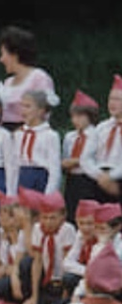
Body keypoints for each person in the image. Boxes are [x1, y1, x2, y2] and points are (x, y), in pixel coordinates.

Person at [0, 26, 56, 131]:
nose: (1, 59)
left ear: (14, 54)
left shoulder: (39, 77)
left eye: (3, 54)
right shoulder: (7, 82)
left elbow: (44, 114)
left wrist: (20, 133)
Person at [9, 90, 62, 196]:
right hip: (21, 178)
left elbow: (54, 169)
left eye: (28, 106)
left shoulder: (50, 135)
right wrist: (11, 192)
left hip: (40, 180)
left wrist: (49, 195)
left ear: (41, 110)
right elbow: (13, 164)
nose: (23, 111)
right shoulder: (18, 134)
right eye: (22, 106)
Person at [84, 76, 122, 202]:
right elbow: (85, 157)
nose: (112, 103)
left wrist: (111, 176)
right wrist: (99, 176)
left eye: (117, 99)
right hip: (98, 179)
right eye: (110, 98)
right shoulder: (101, 127)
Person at [63, 91, 100, 219]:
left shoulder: (96, 135)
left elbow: (87, 158)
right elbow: (66, 157)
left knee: (88, 212)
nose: (75, 120)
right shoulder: (70, 137)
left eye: (79, 116)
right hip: (72, 179)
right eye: (73, 117)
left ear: (90, 116)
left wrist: (74, 161)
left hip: (88, 180)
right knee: (71, 210)